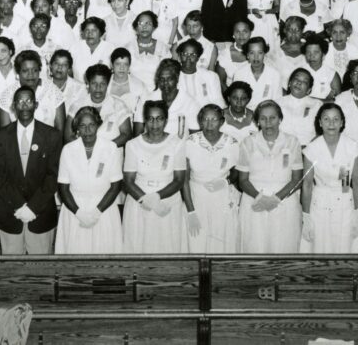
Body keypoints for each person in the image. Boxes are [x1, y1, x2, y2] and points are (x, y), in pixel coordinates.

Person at [0, 86, 64, 254]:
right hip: (10, 212)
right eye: (20, 102)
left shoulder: (52, 135)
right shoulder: (0, 136)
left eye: (29, 101)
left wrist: (32, 208)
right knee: (12, 273)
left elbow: (54, 176)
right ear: (13, 106)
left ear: (36, 105)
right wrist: (20, 205)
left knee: (40, 271)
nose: (24, 106)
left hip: (41, 213)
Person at [236, 100, 304, 253]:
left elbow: (297, 179)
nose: (268, 123)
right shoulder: (248, 143)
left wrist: (276, 199)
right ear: (258, 121)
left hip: (284, 201)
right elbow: (243, 180)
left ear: (280, 119)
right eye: (263, 118)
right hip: (254, 201)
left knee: (284, 246)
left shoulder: (292, 142)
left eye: (272, 118)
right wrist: (261, 198)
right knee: (254, 246)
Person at [56, 105, 124, 254]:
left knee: (104, 260)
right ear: (77, 128)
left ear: (98, 125)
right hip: (75, 212)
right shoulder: (68, 150)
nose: (87, 130)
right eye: (83, 126)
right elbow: (63, 188)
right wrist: (79, 213)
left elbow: (116, 186)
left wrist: (96, 213)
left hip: (103, 211)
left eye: (91, 125)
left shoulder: (111, 148)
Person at [123, 100, 188, 253]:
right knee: (139, 246)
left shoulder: (177, 143)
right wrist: (147, 200)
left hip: (167, 201)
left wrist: (157, 198)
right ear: (145, 120)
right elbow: (128, 181)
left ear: (166, 120)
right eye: (150, 119)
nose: (155, 124)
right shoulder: (132, 144)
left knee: (168, 245)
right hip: (139, 202)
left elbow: (179, 180)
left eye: (159, 118)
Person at [300, 103, 358, 253]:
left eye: (336, 119)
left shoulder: (352, 147)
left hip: (345, 203)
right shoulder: (312, 149)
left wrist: (357, 212)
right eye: (326, 119)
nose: (331, 124)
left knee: (345, 248)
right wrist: (306, 216)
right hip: (320, 204)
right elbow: (307, 185)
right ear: (320, 122)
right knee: (320, 247)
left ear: (342, 122)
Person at [182, 104, 240, 253]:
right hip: (196, 196)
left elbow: (238, 172)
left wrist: (225, 181)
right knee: (196, 242)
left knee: (221, 241)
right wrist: (190, 211)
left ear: (222, 122)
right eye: (205, 119)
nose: (209, 124)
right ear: (200, 121)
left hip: (222, 197)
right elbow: (184, 179)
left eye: (214, 119)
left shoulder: (231, 143)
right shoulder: (189, 142)